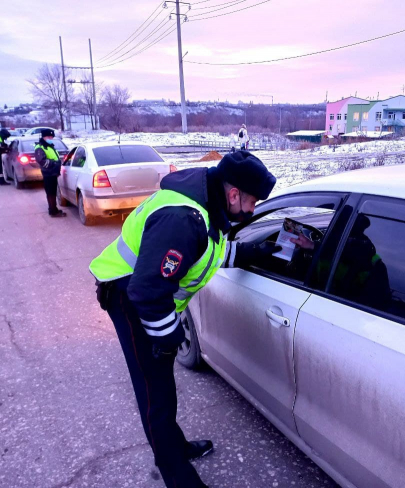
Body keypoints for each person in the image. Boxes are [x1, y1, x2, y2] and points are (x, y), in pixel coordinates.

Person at [90, 150, 280, 488]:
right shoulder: (183, 218)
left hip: (147, 294)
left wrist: (253, 252)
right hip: (129, 296)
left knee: (164, 387)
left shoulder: (210, 206)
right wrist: (167, 338)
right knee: (155, 396)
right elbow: (147, 292)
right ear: (234, 193)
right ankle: (179, 478)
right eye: (252, 202)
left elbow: (205, 252)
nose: (252, 211)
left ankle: (175, 447)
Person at [34, 129, 65, 218]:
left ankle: (53, 209)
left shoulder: (49, 145)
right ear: (44, 137)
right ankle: (53, 211)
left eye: (51, 137)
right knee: (50, 193)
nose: (51, 138)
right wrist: (54, 163)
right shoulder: (40, 147)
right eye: (49, 137)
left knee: (53, 192)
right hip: (48, 173)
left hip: (53, 173)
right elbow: (42, 161)